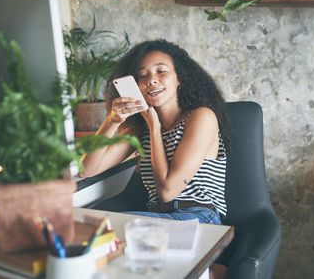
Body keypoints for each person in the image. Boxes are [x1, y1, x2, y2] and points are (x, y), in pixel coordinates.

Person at [81, 38, 230, 225]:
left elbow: (167, 192)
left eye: (161, 71)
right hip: (159, 220)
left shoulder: (201, 117)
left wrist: (154, 127)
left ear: (180, 78)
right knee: (89, 226)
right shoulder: (139, 128)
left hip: (199, 218)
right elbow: (87, 169)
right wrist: (112, 121)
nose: (151, 80)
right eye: (142, 75)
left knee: (99, 226)